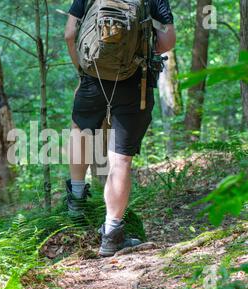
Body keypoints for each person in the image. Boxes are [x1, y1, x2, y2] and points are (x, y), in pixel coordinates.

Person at [64, 0, 176, 257]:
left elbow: (70, 34)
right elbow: (168, 40)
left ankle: (76, 203)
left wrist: (83, 70)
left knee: (81, 129)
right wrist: (137, 49)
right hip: (136, 80)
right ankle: (112, 235)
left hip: (91, 77)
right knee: (121, 158)